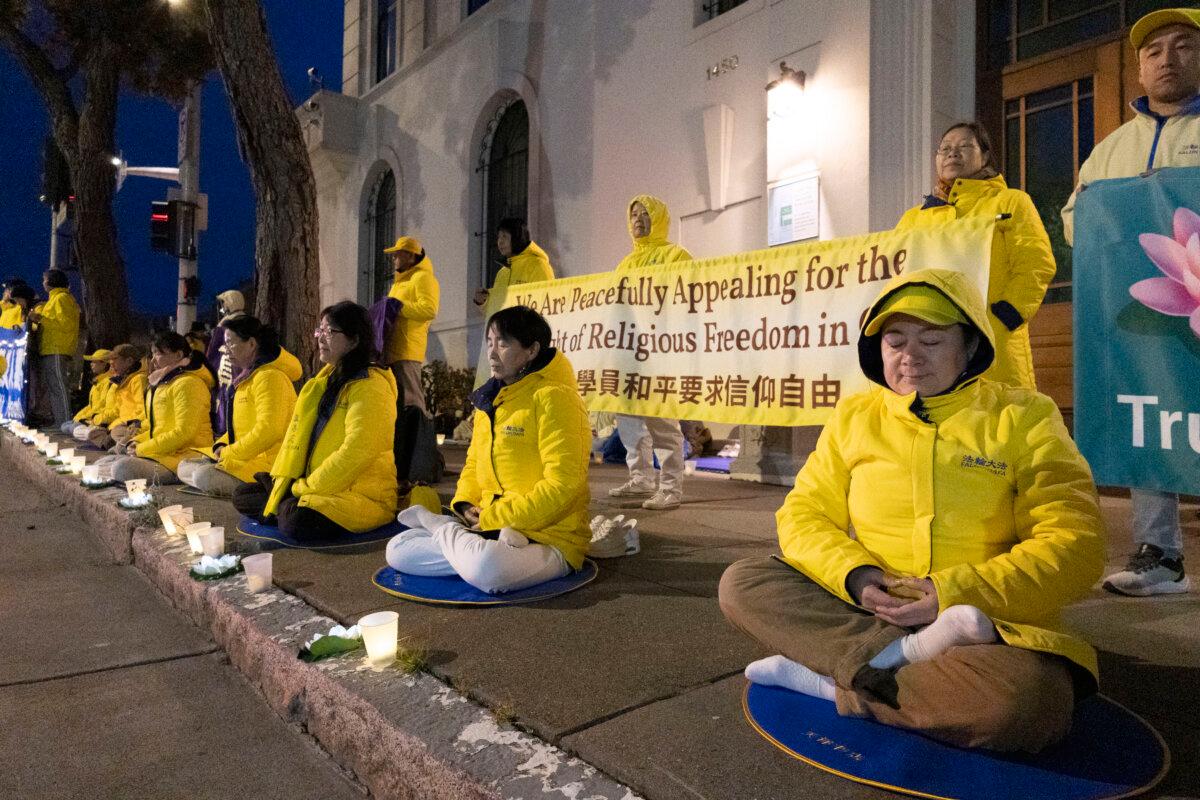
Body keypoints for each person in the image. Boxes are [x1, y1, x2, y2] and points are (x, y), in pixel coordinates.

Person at [719, 268, 1105, 753]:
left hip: (984, 622)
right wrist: (857, 575)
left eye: (932, 339)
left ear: (969, 346)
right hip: (870, 605)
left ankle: (827, 680)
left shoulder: (1024, 416)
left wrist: (950, 593)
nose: (910, 356)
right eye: (895, 340)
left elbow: (1075, 544)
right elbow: (803, 514)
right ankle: (904, 656)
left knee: (1026, 708)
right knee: (744, 582)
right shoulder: (855, 416)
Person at [1061, 7, 1200, 597]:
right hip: (1147, 316)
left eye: (1183, 45)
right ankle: (1159, 556)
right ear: (1139, 70)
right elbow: (1075, 223)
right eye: (1153, 52)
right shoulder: (1111, 150)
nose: (1166, 59)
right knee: (1152, 419)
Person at [387, 305, 590, 593]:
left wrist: (494, 517)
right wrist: (467, 504)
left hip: (549, 536)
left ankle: (444, 531)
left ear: (531, 351)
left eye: (503, 344)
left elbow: (564, 486)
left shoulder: (556, 398)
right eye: (489, 343)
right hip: (490, 528)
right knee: (398, 548)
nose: (492, 353)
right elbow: (473, 466)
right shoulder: (491, 399)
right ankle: (454, 536)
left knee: (488, 569)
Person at [894, 122, 1055, 390]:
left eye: (964, 146)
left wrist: (1010, 312)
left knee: (1002, 420)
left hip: (993, 338)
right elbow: (893, 270)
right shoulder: (913, 218)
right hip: (930, 340)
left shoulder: (1010, 202)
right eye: (945, 148)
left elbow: (1035, 262)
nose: (952, 153)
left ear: (984, 156)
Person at [233, 301, 398, 539]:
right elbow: (298, 440)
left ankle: (287, 505)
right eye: (320, 330)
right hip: (315, 483)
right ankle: (286, 502)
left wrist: (303, 487)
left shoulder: (371, 386)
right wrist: (289, 481)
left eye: (330, 332)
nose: (321, 337)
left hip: (359, 493)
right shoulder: (323, 383)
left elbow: (357, 452)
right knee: (243, 494)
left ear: (354, 340)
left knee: (295, 521)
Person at [609, 195, 692, 510]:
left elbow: (691, 296)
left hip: (660, 351)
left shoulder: (675, 255)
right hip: (630, 352)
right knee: (629, 420)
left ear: (659, 219)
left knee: (662, 422)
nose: (638, 220)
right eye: (633, 215)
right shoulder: (625, 263)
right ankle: (641, 480)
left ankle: (671, 486)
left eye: (645, 214)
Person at [177, 316, 300, 498]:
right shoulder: (247, 379)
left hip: (268, 465)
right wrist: (222, 445)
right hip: (244, 459)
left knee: (204, 475)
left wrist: (229, 453)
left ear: (251, 344)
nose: (225, 350)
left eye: (230, 344)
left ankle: (258, 491)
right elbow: (239, 430)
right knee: (184, 466)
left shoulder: (270, 377)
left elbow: (269, 430)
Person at [93, 332, 214, 483]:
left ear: (178, 355)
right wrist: (135, 441)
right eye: (152, 353)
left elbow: (184, 433)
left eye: (158, 353)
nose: (153, 359)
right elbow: (154, 427)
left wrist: (142, 448)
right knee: (103, 462)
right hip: (163, 451)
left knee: (122, 468)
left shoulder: (188, 383)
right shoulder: (161, 383)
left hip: (186, 454)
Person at [380, 236, 439, 415]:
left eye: (398, 254)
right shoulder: (401, 282)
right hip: (392, 349)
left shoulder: (423, 278)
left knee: (412, 401)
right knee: (398, 402)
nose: (394, 258)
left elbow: (429, 310)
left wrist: (398, 307)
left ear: (411, 256)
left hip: (407, 349)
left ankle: (419, 439)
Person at [26, 268, 81, 426]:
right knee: (54, 387)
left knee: (59, 386)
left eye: (44, 279)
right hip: (51, 348)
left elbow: (64, 323)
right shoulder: (54, 299)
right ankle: (59, 422)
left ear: (51, 281)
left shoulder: (62, 298)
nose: (43, 282)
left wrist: (41, 318)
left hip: (57, 348)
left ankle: (63, 422)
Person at [473, 218, 556, 309]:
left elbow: (548, 304)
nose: (500, 242)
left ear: (518, 238)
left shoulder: (538, 265)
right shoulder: (502, 273)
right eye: (499, 237)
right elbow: (496, 311)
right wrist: (482, 302)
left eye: (504, 236)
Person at [82, 343, 148, 448]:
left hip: (131, 425)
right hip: (119, 423)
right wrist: (96, 420)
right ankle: (113, 442)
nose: (111, 363)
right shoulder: (122, 380)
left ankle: (117, 444)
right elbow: (118, 409)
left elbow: (142, 409)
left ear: (129, 361)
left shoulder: (138, 379)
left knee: (113, 433)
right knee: (91, 433)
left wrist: (127, 424)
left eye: (115, 359)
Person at [206, 289, 249, 436]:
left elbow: (212, 351)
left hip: (231, 372)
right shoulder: (240, 322)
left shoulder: (228, 325)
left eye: (223, 304)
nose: (221, 308)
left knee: (227, 404)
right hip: (227, 372)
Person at [64, 348, 111, 435]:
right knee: (66, 425)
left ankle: (93, 434)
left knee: (68, 427)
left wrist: (83, 418)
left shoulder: (108, 382)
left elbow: (100, 406)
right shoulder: (97, 381)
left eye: (94, 362)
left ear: (104, 364)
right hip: (91, 418)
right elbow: (91, 405)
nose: (91, 364)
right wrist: (78, 417)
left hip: (96, 419)